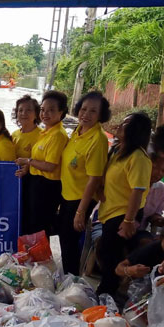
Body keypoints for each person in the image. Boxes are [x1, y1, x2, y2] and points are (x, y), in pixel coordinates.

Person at [96, 112, 153, 300]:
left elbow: (137, 191)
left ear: (136, 130)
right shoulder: (119, 150)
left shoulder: (138, 157)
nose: (121, 124)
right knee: (106, 253)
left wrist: (128, 220)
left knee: (110, 254)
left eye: (127, 123)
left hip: (124, 214)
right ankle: (107, 291)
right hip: (110, 211)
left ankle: (107, 294)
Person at [57, 92, 110, 275]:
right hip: (67, 195)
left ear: (101, 115)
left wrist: (81, 211)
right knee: (65, 242)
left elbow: (94, 179)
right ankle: (68, 281)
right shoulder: (78, 131)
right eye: (83, 109)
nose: (86, 114)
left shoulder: (98, 139)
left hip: (80, 199)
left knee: (71, 245)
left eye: (93, 111)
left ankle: (72, 285)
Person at [15, 90, 69, 236]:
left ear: (61, 112)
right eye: (43, 110)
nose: (45, 113)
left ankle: (42, 258)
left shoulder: (58, 135)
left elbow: (50, 166)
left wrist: (28, 161)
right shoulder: (46, 132)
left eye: (51, 110)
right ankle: (35, 256)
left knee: (41, 226)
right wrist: (28, 167)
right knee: (35, 224)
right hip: (37, 182)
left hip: (47, 187)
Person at [12, 95, 42, 235]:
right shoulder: (14, 135)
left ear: (36, 113)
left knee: (31, 218)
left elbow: (42, 159)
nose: (23, 113)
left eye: (28, 110)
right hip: (15, 181)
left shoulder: (41, 135)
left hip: (33, 182)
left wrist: (28, 167)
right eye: (20, 110)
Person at [135, 125, 164, 244]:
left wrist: (158, 219)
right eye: (154, 167)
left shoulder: (161, 190)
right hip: (113, 225)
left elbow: (154, 215)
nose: (157, 173)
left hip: (139, 231)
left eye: (163, 171)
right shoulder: (132, 182)